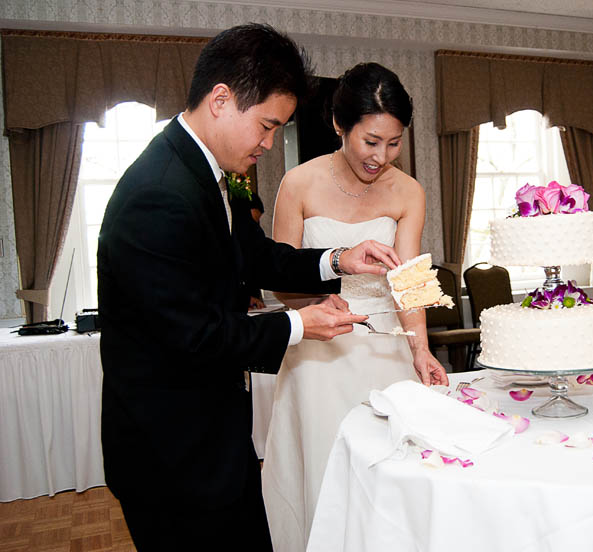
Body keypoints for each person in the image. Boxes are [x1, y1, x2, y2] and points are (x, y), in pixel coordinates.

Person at [97, 25, 400, 550]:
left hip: (215, 435)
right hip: (171, 452)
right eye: (265, 126)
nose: (268, 143)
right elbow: (192, 336)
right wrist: (299, 324)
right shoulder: (159, 193)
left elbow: (256, 257)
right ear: (221, 100)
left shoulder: (209, 172)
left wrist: (336, 259)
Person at [261, 62, 448, 551]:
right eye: (370, 141)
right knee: (326, 467)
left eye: (394, 142)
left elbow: (408, 281)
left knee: (391, 472)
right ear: (341, 126)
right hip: (321, 348)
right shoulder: (298, 184)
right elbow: (281, 281)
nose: (381, 156)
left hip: (385, 347)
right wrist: (324, 301)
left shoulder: (409, 191)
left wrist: (420, 350)